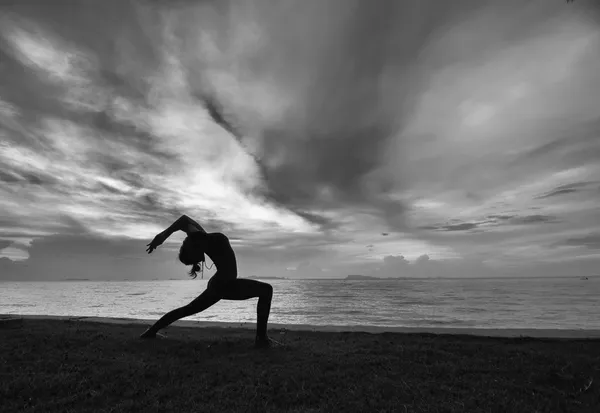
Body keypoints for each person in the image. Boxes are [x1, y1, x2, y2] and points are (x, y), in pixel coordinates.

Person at [140, 214, 277, 348]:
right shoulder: (203, 240)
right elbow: (184, 222)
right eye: (197, 260)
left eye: (196, 258)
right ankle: (261, 340)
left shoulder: (199, 236)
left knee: (188, 309)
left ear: (192, 247)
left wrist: (163, 236)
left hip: (221, 283)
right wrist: (164, 235)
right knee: (266, 290)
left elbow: (184, 220)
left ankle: (150, 333)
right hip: (222, 285)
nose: (201, 259)